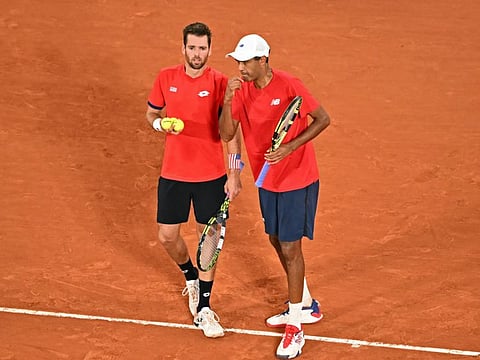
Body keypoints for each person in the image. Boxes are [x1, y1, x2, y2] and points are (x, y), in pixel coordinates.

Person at [220, 34, 330, 358]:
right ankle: (306, 302)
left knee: (289, 246)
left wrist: (291, 147)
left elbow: (323, 119)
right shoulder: (240, 92)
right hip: (267, 180)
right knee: (274, 238)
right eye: (238, 62)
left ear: (263, 60)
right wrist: (227, 100)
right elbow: (227, 133)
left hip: (298, 177)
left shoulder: (289, 85)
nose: (240, 68)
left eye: (246, 62)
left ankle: (295, 325)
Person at [145, 22, 242, 338]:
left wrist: (235, 172)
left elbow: (231, 133)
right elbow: (151, 113)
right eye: (192, 47)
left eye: (202, 48)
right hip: (173, 173)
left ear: (210, 50)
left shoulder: (220, 83)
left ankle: (204, 307)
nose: (197, 53)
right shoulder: (166, 78)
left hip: (211, 177)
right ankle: (190, 277)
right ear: (183, 48)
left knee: (208, 239)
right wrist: (161, 125)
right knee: (167, 236)